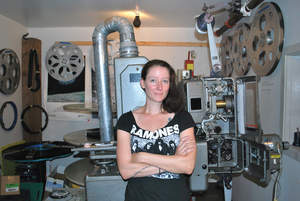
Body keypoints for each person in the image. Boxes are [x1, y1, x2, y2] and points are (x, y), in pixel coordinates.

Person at [116, 59, 196, 201]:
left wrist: (142, 157)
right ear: (143, 83)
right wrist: (173, 161)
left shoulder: (183, 118)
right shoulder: (126, 121)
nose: (159, 87)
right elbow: (125, 171)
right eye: (153, 80)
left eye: (165, 81)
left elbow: (187, 166)